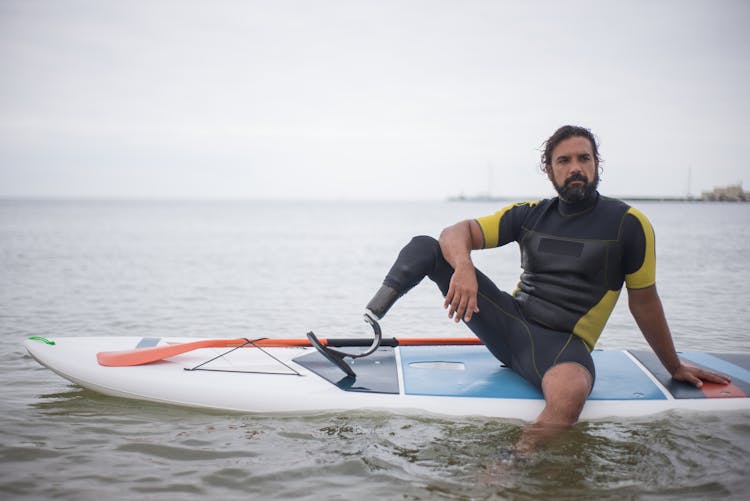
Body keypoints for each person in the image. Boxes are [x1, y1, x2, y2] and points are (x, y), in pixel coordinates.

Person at [363, 125, 731, 452]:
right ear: (549, 170)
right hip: (509, 324)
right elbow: (455, 233)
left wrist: (673, 365)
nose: (575, 167)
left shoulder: (629, 225)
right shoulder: (531, 214)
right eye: (564, 160)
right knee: (426, 245)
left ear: (597, 163)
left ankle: (510, 468)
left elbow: (645, 303)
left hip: (562, 347)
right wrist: (463, 266)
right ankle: (371, 324)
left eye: (584, 158)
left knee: (571, 392)